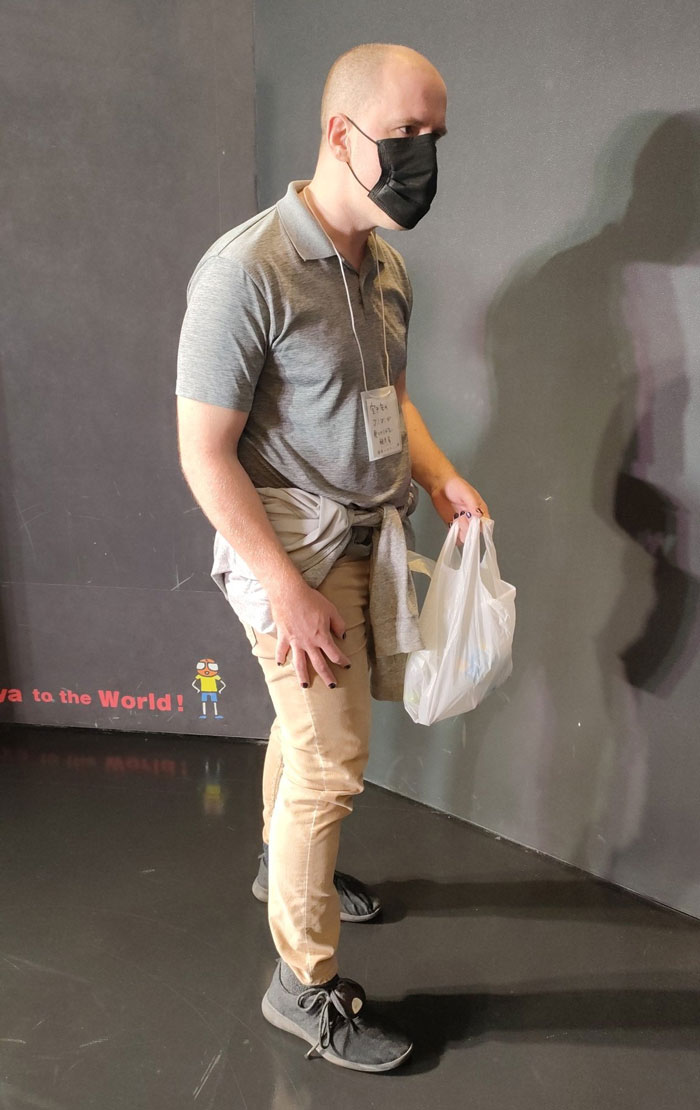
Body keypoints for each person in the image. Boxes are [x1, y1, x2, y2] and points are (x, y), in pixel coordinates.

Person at [175, 42, 489, 1073]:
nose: (422, 160)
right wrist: (281, 591)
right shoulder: (246, 269)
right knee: (331, 764)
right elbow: (203, 452)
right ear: (339, 134)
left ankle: (280, 863)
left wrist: (440, 475)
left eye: (434, 139)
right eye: (404, 138)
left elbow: (388, 397)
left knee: (311, 748)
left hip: (367, 533)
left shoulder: (385, 265)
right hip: (288, 553)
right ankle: (301, 987)